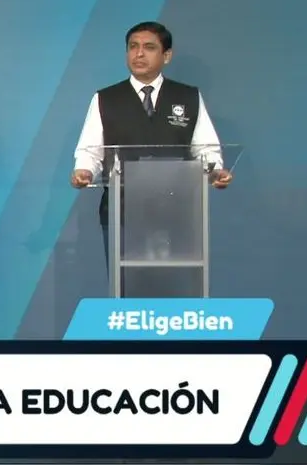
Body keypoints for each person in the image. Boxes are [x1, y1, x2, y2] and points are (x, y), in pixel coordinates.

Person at [70, 21, 232, 293]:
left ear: (166, 56)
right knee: (127, 288)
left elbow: (206, 149)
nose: (139, 54)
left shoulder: (188, 96)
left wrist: (216, 171)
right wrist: (84, 171)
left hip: (177, 209)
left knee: (174, 287)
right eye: (133, 47)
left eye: (149, 47)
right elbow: (90, 151)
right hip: (122, 209)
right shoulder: (105, 98)